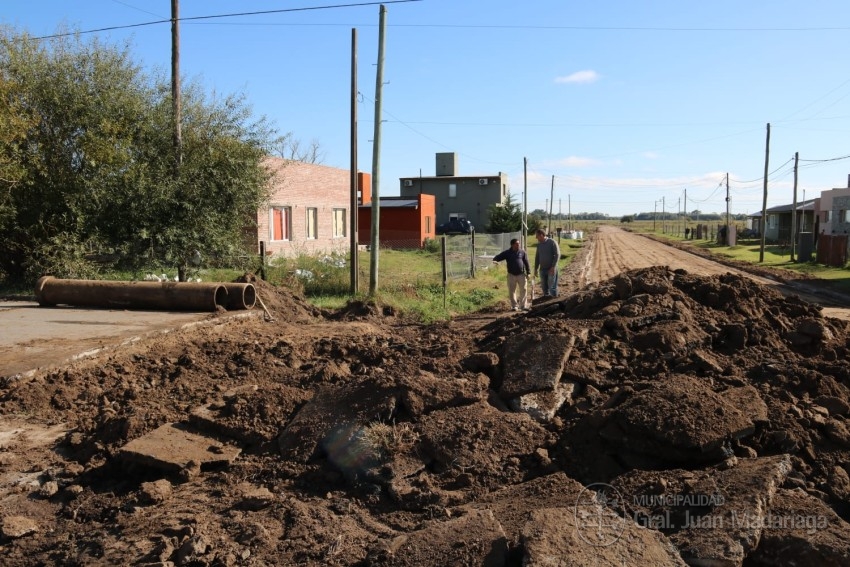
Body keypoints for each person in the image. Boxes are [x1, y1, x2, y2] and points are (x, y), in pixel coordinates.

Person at [492, 238, 531, 311]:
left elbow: (526, 262)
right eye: (517, 244)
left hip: (521, 274)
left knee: (523, 290)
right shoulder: (507, 253)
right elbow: (498, 257)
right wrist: (495, 260)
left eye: (519, 243)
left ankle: (523, 306)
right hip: (511, 275)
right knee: (512, 290)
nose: (518, 245)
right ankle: (514, 306)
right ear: (512, 245)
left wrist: (528, 272)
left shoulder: (522, 252)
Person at [534, 228, 561, 297]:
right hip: (542, 269)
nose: (536, 238)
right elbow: (537, 257)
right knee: (544, 287)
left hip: (551, 269)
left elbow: (557, 255)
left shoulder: (552, 242)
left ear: (542, 235)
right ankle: (546, 302)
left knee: (552, 287)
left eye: (537, 236)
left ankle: (554, 301)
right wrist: (536, 269)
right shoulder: (539, 244)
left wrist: (553, 267)